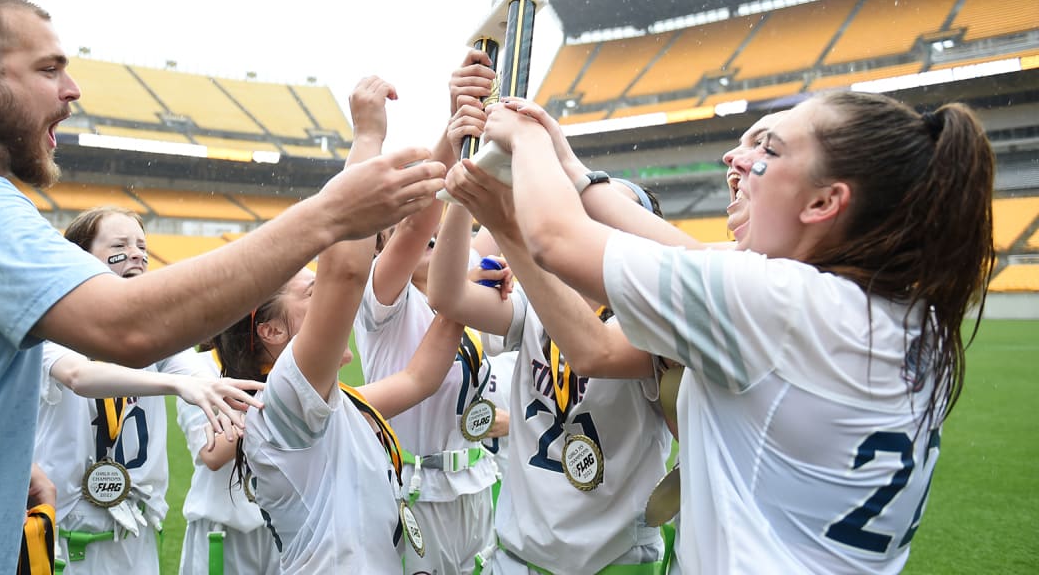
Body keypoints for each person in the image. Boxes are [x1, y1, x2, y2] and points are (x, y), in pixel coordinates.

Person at [0, 0, 447, 574]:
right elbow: (128, 327)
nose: (72, 91)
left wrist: (9, 472)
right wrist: (327, 215)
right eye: (48, 69)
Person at [487, 90, 995, 573]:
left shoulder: (781, 303)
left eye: (769, 151)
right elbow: (683, 252)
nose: (742, 161)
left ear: (822, 204)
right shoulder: (900, 309)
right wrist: (571, 167)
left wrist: (525, 142)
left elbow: (555, 239)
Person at [430, 76, 672, 574]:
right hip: (519, 555)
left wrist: (501, 223)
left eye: (607, 219)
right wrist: (465, 186)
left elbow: (593, 350)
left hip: (611, 563)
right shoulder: (539, 300)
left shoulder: (656, 321)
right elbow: (447, 294)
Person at [237, 76, 468, 573]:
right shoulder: (283, 404)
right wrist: (367, 137)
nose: (328, 299)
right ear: (272, 333)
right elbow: (344, 270)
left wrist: (460, 301)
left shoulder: (334, 407)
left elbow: (419, 378)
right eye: (308, 292)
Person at [35, 205, 264, 575]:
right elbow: (80, 377)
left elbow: (197, 375)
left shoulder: (156, 336)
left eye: (142, 246)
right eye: (121, 246)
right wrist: (175, 383)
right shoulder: (51, 328)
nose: (138, 254)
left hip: (134, 533)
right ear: (77, 257)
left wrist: (217, 390)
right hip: (64, 538)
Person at [350, 51, 500, 574]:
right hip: (412, 492)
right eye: (418, 234)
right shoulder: (381, 302)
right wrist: (454, 136)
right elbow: (418, 222)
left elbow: (498, 222)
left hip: (478, 486)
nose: (431, 236)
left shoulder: (478, 300)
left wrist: (493, 123)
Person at [177, 337, 280, 575]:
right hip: (223, 532)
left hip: (281, 526)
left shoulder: (284, 363)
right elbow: (211, 452)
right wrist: (277, 406)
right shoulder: (198, 366)